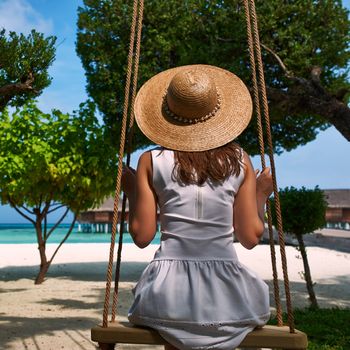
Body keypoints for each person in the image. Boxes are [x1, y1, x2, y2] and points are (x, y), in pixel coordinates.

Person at [121, 64, 273, 350]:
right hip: (228, 298)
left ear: (167, 113)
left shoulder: (151, 160)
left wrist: (131, 192)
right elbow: (250, 238)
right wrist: (262, 195)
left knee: (174, 329)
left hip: (166, 295)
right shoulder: (240, 159)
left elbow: (142, 237)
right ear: (216, 112)